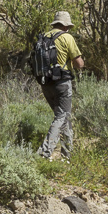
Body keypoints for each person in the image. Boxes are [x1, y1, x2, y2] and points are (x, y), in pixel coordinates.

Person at [36, 11, 84, 160]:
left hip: (46, 83)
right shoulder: (66, 37)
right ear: (65, 25)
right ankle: (44, 153)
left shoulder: (44, 36)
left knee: (65, 117)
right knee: (61, 116)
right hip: (62, 83)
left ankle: (67, 155)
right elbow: (79, 64)